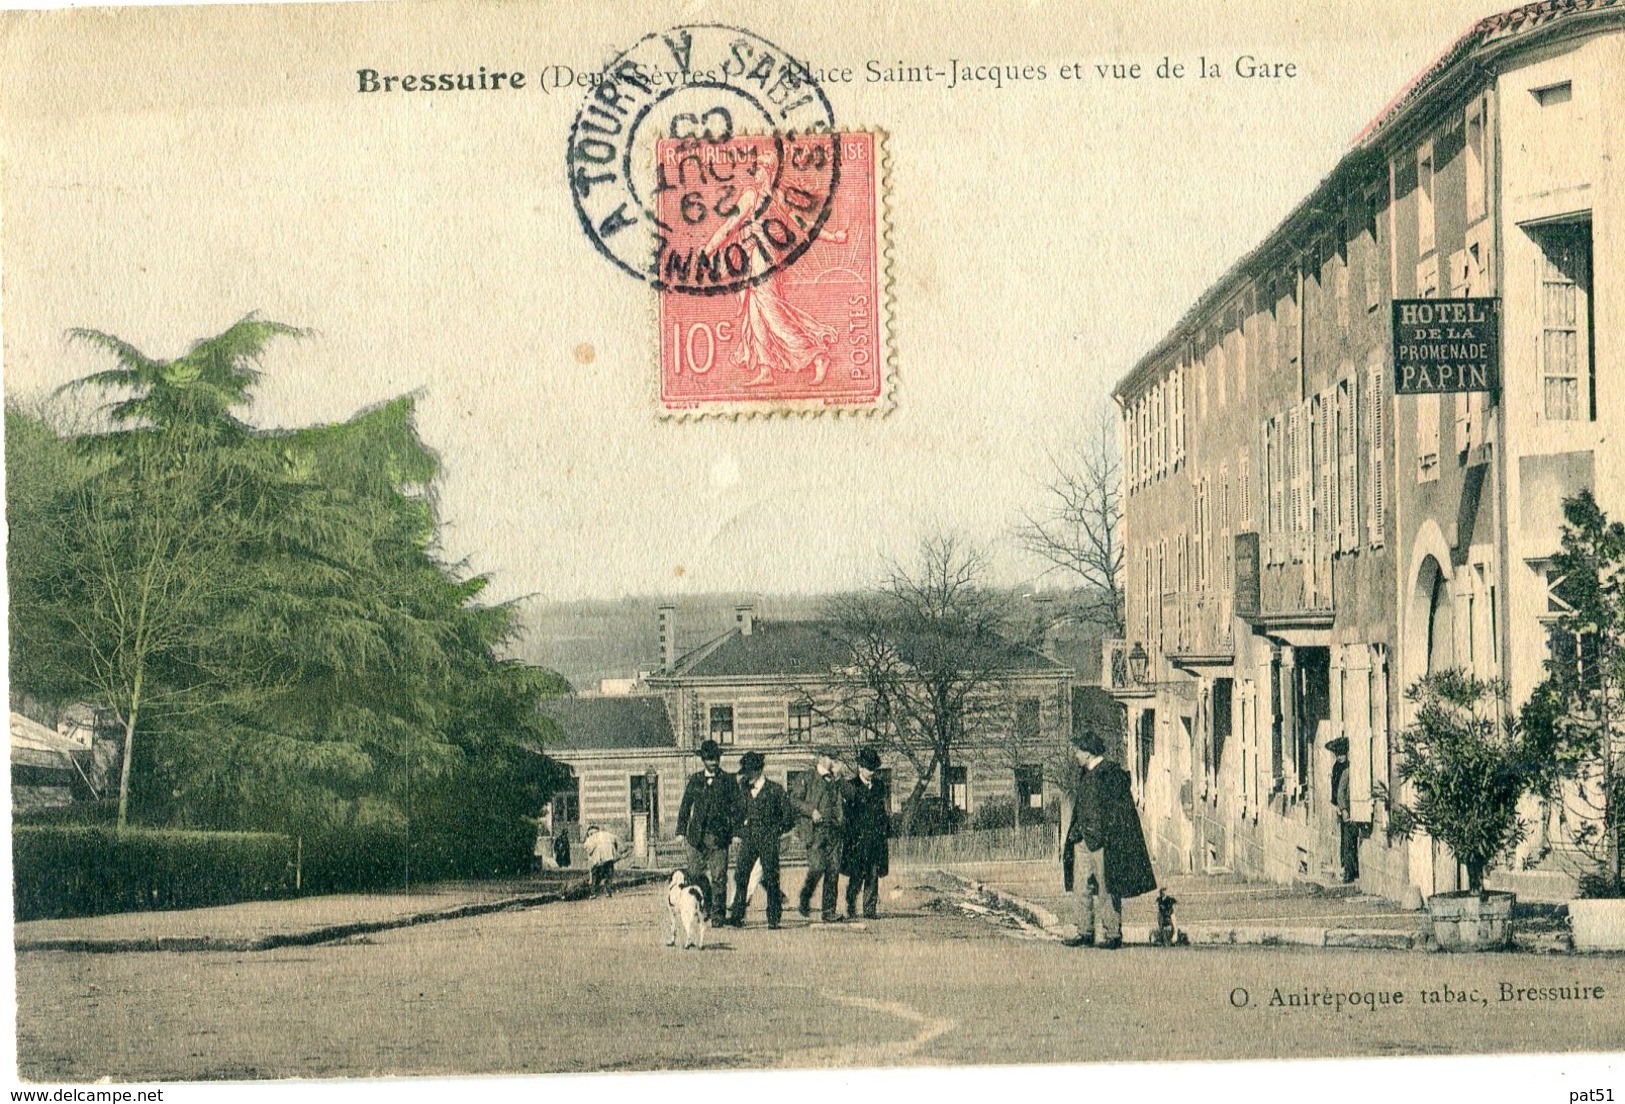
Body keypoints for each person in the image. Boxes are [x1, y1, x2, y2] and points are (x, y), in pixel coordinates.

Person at [1061, 730, 1157, 949]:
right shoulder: (1085, 772)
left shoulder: (1110, 773)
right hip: (1083, 839)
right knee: (1081, 887)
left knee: (1107, 887)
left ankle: (1113, 934)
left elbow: (1119, 812)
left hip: (1104, 842)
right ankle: (1084, 932)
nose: (1075, 755)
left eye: (1078, 751)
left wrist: (1109, 836)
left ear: (1088, 752)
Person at [676, 738, 742, 926]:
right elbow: (685, 805)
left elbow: (737, 808)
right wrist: (681, 831)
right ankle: (706, 905)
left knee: (719, 876)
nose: (713, 762)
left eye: (716, 759)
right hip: (695, 837)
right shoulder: (695, 780)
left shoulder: (728, 781)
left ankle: (718, 915)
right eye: (709, 759)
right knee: (695, 874)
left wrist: (737, 832)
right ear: (703, 760)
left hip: (719, 837)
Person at [727, 751, 795, 929]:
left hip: (768, 839)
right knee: (741, 875)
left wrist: (775, 831)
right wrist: (738, 833)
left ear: (758, 770)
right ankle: (737, 915)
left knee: (772, 877)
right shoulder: (743, 790)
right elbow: (736, 814)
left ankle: (773, 918)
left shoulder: (775, 790)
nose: (746, 775)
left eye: (749, 771)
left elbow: (788, 817)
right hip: (748, 839)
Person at [792, 748, 847, 922]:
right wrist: (811, 811)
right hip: (815, 830)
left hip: (835, 830)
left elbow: (851, 795)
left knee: (833, 870)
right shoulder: (807, 777)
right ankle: (805, 896)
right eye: (831, 757)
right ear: (821, 758)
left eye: (835, 758)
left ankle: (829, 911)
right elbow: (794, 800)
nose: (834, 762)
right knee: (817, 867)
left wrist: (839, 778)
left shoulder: (837, 779)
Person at [841, 747, 890, 920]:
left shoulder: (880, 786)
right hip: (857, 840)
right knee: (856, 875)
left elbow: (883, 811)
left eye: (874, 769)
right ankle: (851, 907)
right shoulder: (850, 786)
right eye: (869, 769)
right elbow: (846, 815)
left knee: (872, 874)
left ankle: (869, 910)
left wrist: (885, 830)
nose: (871, 772)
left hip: (875, 839)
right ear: (860, 767)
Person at [1327, 735, 1360, 884]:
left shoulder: (1349, 766)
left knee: (1349, 839)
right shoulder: (1340, 769)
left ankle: (1351, 869)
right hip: (1344, 808)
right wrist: (1342, 809)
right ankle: (1348, 871)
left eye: (1342, 754)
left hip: (1349, 807)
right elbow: (1338, 791)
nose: (1340, 757)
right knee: (1347, 840)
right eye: (1337, 754)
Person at [582, 824, 625, 896]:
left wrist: (590, 856)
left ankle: (593, 893)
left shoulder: (591, 838)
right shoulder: (607, 834)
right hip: (609, 858)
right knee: (608, 876)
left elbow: (588, 849)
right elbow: (617, 840)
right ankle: (608, 892)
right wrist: (615, 851)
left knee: (595, 876)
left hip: (599, 859)